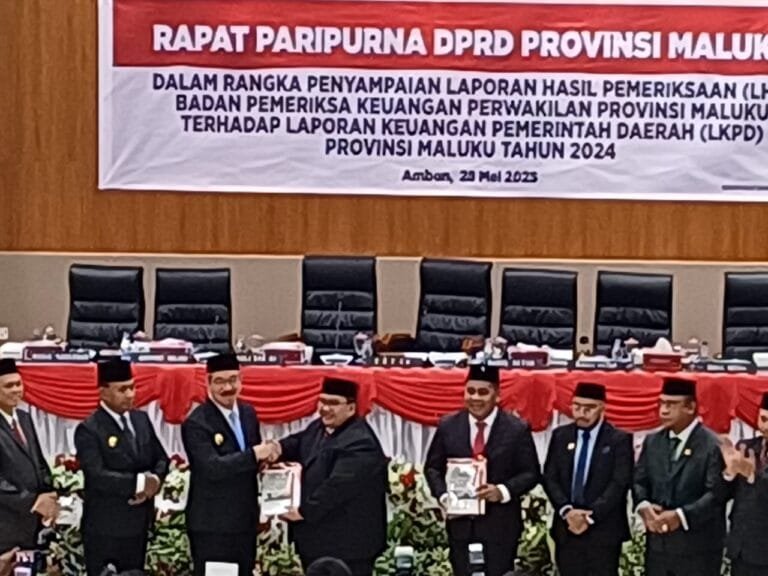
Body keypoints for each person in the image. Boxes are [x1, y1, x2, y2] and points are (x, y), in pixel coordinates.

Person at [425, 364, 540, 576]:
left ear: (497, 395)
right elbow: (432, 468)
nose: (475, 398)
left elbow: (531, 472)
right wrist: (444, 497)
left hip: (500, 526)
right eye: (470, 391)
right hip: (460, 526)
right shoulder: (448, 425)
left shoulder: (516, 429)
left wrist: (502, 491)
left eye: (483, 392)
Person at [277, 377, 387, 576]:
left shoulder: (360, 442)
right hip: (317, 541)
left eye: (333, 403)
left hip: (348, 546)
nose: (325, 409)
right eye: (322, 401)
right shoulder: (319, 428)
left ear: (351, 408)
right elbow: (299, 442)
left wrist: (303, 511)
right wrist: (276, 450)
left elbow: (337, 487)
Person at [182, 353, 278, 576]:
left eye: (233, 380)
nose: (227, 387)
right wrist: (254, 455)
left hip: (245, 520)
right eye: (220, 381)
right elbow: (212, 467)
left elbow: (249, 461)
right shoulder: (196, 422)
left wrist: (264, 462)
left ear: (241, 380)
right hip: (213, 525)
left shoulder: (248, 413)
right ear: (208, 383)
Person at [75, 358, 169, 576]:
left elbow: (161, 458)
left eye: (132, 387)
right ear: (103, 392)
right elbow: (97, 475)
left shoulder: (141, 419)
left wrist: (155, 480)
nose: (130, 394)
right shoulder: (89, 429)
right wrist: (139, 484)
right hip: (105, 528)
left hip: (138, 525)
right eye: (122, 390)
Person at [633, 378, 728, 576]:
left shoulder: (712, 445)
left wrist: (681, 516)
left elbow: (716, 494)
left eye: (671, 404)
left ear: (690, 407)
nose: (663, 411)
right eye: (661, 404)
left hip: (698, 550)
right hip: (659, 548)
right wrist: (644, 505)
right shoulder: (653, 441)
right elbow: (639, 480)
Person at [543, 382, 634, 576]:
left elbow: (619, 483)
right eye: (576, 407)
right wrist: (567, 511)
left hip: (603, 531)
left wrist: (589, 516)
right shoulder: (561, 436)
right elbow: (550, 477)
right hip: (567, 528)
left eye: (589, 408)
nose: (581, 413)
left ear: (602, 407)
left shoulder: (618, 440)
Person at [0, 358, 57, 556]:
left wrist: (49, 493)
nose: (16, 390)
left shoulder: (24, 418)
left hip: (32, 523)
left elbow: (38, 462)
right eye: (9, 386)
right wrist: (32, 501)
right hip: (6, 522)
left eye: (19, 384)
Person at [722, 391, 768, 576]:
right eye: (764, 419)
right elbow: (724, 494)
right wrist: (729, 473)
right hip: (742, 548)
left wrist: (753, 476)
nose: (766, 426)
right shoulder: (746, 447)